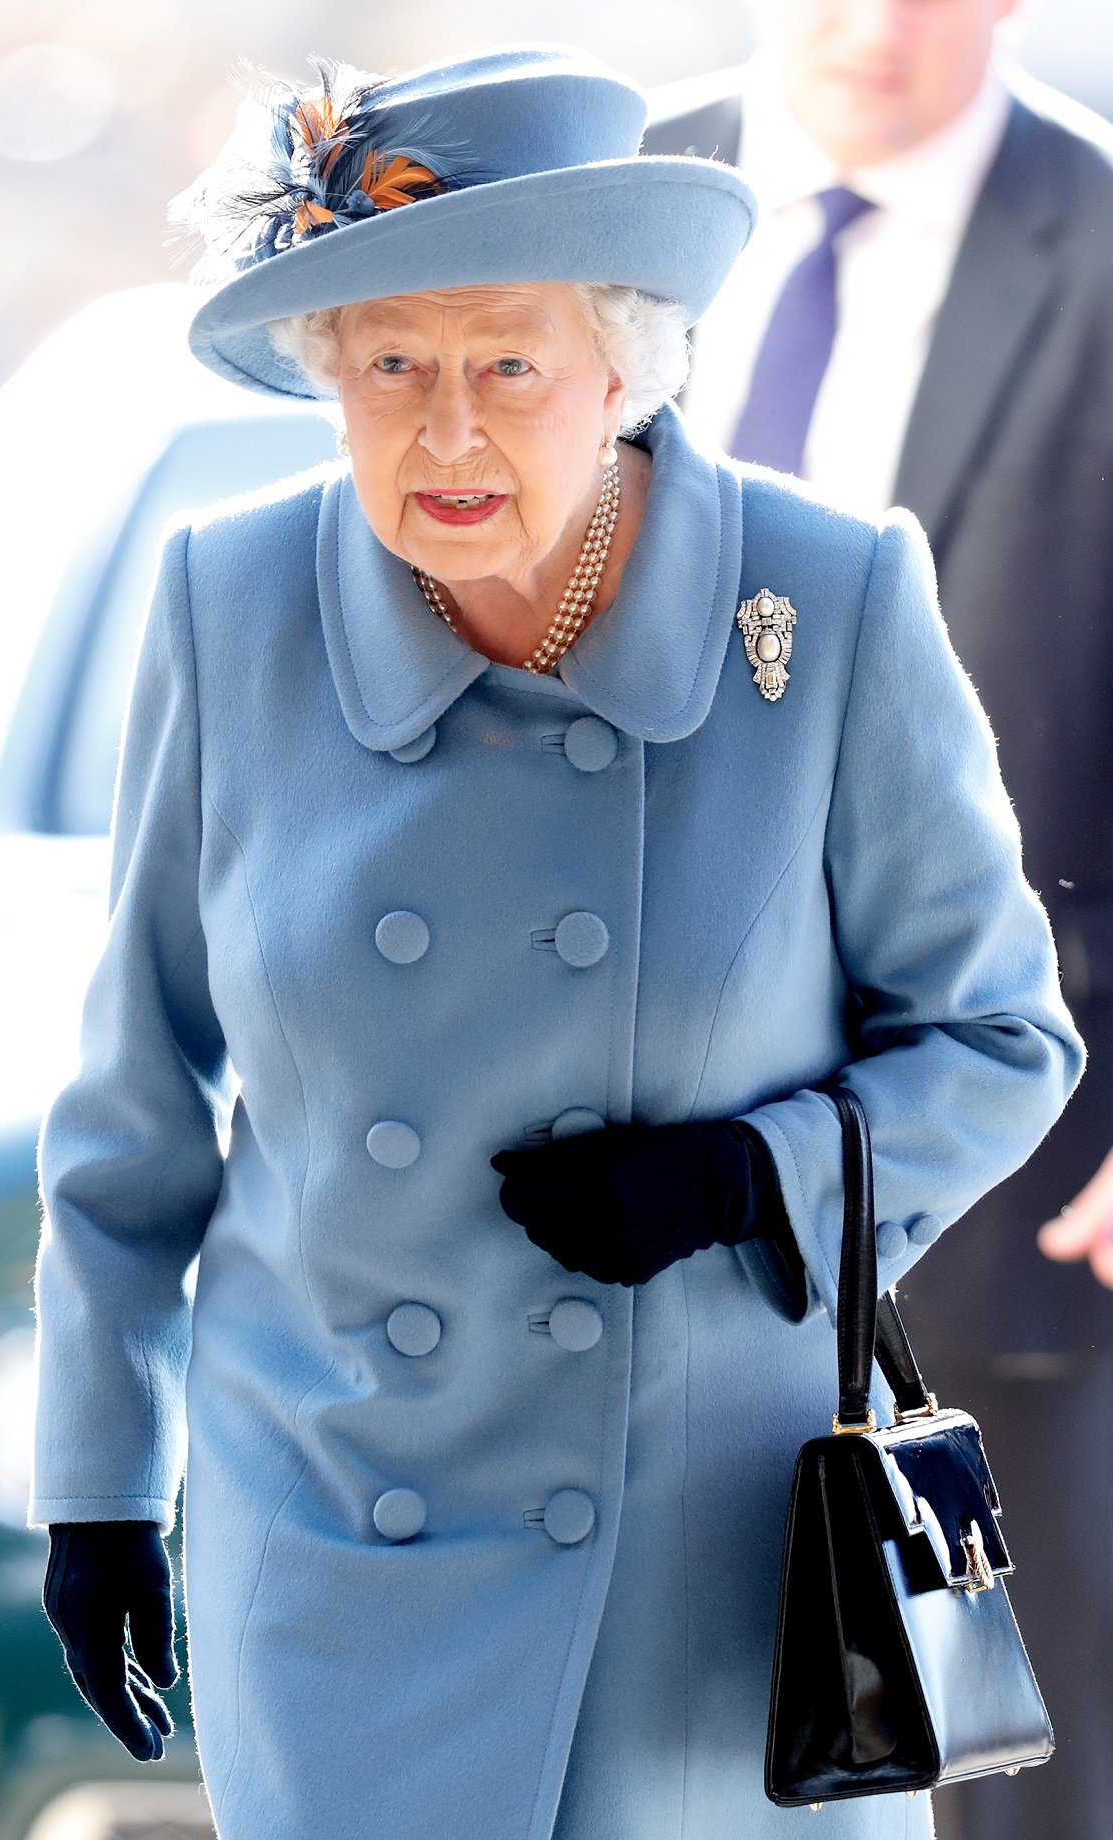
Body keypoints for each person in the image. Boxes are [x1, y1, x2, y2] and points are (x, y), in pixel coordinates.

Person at [28, 45, 1081, 1840]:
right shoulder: (226, 606)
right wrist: (98, 1492)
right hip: (343, 1557)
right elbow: (134, 1109)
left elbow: (1003, 1042)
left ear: (622, 362)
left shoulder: (821, 605)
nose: (444, 432)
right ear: (328, 381)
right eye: (389, 366)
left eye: (506, 362)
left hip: (711, 1594)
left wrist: (754, 1177)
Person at [646, 6, 1113, 1835]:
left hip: (1028, 1189)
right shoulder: (599, 207)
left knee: (1012, 1781)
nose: (877, 19)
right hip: (640, 1177)